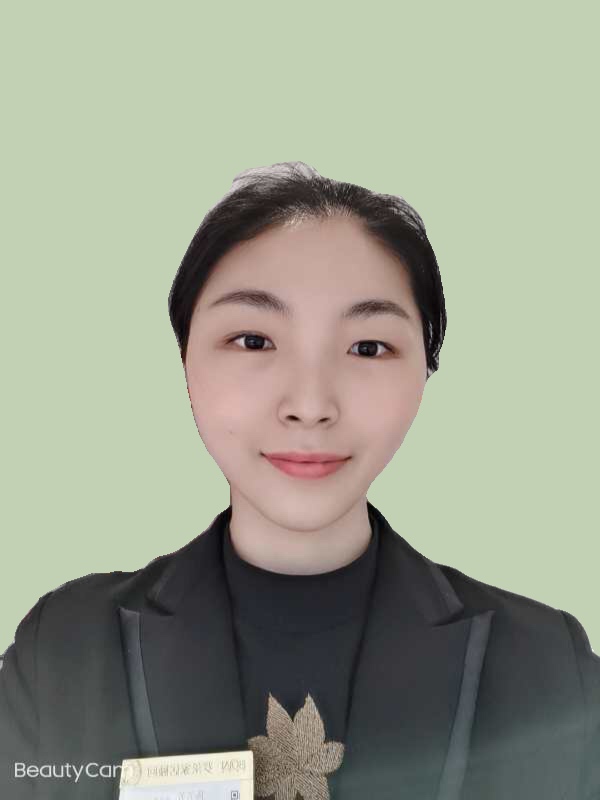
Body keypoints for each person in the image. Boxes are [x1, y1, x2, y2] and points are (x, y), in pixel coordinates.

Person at [0, 161, 598, 800]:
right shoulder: (63, 649)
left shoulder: (548, 667)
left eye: (368, 348)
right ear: (185, 359)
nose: (310, 406)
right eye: (254, 340)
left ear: (425, 369)